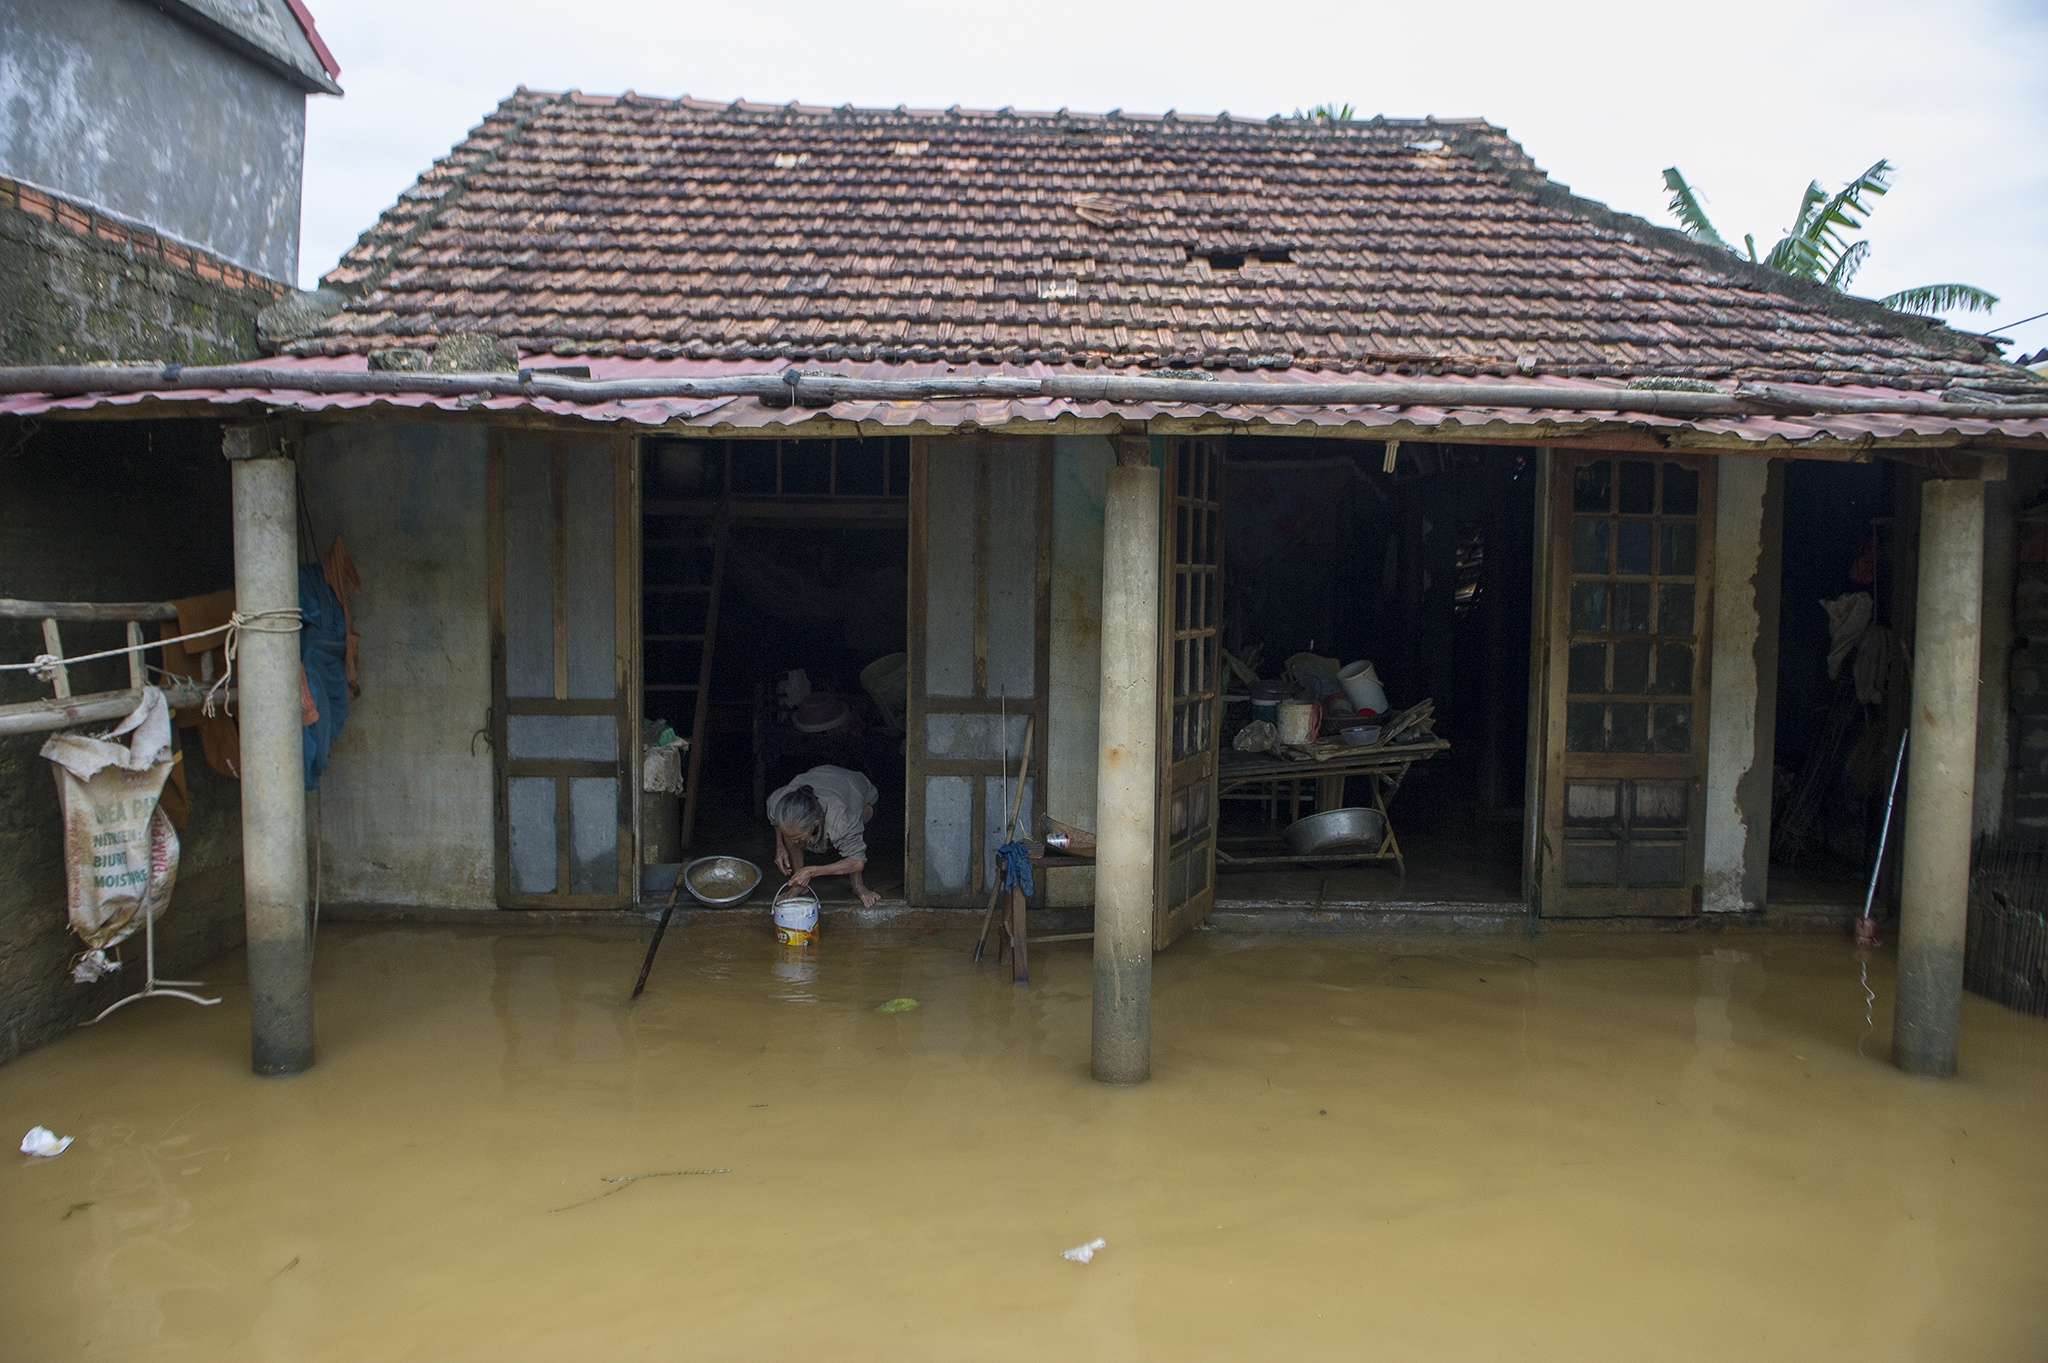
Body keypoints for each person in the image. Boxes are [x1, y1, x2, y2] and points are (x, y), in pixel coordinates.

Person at [767, 765, 881, 909]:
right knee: (791, 833)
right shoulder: (779, 802)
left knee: (858, 823)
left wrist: (814, 871)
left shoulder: (839, 818)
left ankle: (858, 885)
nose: (793, 841)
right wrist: (780, 846)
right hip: (821, 773)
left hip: (857, 790)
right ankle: (799, 886)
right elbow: (777, 822)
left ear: (816, 823)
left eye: (797, 837)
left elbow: (857, 862)